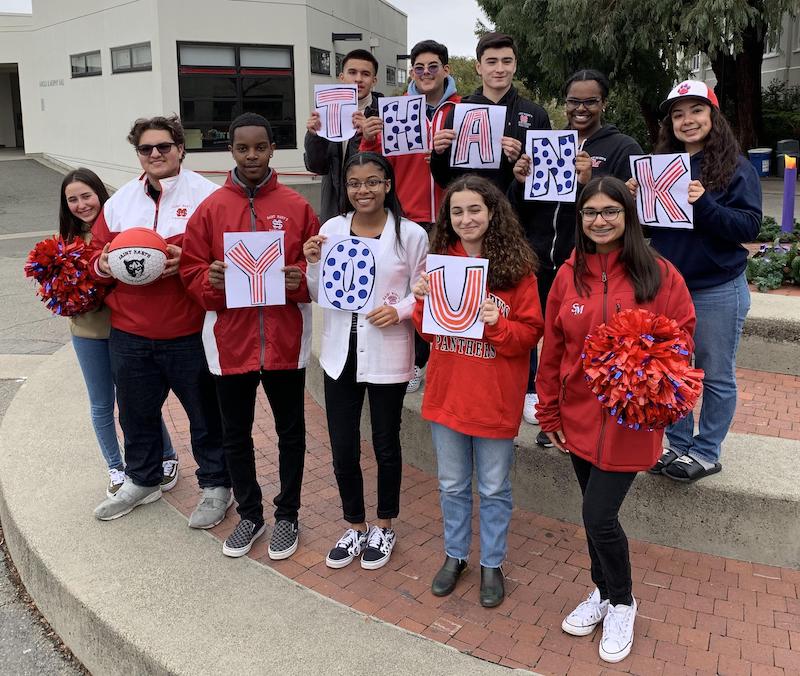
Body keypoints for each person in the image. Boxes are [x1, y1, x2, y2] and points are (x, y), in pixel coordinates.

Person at [536, 176, 695, 663]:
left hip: (631, 422)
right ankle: (602, 592)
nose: (600, 220)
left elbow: (684, 339)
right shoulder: (568, 275)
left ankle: (623, 601)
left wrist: (652, 372)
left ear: (628, 215)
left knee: (597, 515)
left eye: (610, 211)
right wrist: (548, 410)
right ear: (580, 219)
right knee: (592, 512)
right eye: (590, 213)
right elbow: (554, 346)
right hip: (578, 416)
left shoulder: (660, 274)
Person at [181, 113, 320, 559]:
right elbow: (190, 270)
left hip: (285, 341)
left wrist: (300, 277)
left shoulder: (297, 207)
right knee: (235, 433)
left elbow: (317, 272)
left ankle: (288, 515)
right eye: (243, 148)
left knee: (290, 433)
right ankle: (252, 515)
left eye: (260, 147)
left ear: (272, 148)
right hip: (230, 344)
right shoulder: (211, 209)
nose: (252, 156)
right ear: (232, 150)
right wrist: (211, 281)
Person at [90, 115, 232, 527]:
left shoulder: (209, 196)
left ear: (180, 148)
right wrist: (101, 262)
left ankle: (216, 485)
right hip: (130, 332)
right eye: (146, 149)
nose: (155, 154)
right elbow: (96, 252)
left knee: (204, 416)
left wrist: (185, 256)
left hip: (189, 330)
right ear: (138, 153)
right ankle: (143, 479)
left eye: (164, 146)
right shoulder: (120, 202)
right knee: (135, 414)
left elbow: (226, 250)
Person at [412, 175, 543, 607]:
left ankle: (492, 561)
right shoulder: (439, 263)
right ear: (447, 219)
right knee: (451, 485)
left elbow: (528, 336)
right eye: (457, 211)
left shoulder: (516, 270)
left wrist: (496, 322)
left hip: (494, 399)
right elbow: (429, 335)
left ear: (492, 213)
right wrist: (420, 302)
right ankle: (455, 556)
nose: (466, 219)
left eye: (475, 210)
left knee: (493, 488)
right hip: (448, 396)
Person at [629, 80, 761, 482]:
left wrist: (702, 203)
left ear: (712, 116)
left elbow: (748, 226)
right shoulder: (659, 165)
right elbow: (650, 229)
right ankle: (677, 444)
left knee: (716, 374)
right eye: (678, 113)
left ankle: (706, 451)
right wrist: (632, 198)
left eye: (696, 111)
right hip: (668, 288)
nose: (687, 120)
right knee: (670, 370)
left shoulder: (735, 166)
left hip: (717, 288)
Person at [303, 152, 427, 570]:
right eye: (355, 183)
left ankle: (384, 525)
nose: (363, 190)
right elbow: (320, 292)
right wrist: (313, 262)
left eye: (372, 182)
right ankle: (354, 525)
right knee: (342, 447)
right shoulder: (332, 230)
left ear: (388, 185)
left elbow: (422, 289)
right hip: (340, 353)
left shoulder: (409, 235)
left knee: (386, 445)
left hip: (387, 351)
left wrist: (401, 311)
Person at [511, 69, 642, 447]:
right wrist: (519, 180)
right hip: (538, 257)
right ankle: (542, 404)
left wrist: (591, 185)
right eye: (573, 101)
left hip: (586, 264)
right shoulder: (548, 142)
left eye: (589, 101)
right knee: (542, 337)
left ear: (603, 103)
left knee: (579, 342)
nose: (580, 109)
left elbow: (633, 207)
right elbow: (518, 205)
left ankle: (578, 417)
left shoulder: (622, 147)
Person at [60, 168, 179, 497]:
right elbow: (56, 289)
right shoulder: (64, 243)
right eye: (73, 199)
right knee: (102, 404)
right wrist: (66, 295)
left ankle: (167, 456)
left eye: (86, 195)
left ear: (100, 194)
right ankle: (116, 467)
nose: (82, 204)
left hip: (126, 329)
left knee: (139, 401)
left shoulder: (124, 226)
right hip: (87, 332)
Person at [360, 39, 461, 394]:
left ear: (446, 70)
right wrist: (370, 139)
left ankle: (450, 362)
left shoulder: (463, 109)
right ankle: (418, 361)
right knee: (416, 292)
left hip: (454, 218)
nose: (426, 74)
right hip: (411, 215)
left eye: (433, 66)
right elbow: (374, 162)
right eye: (419, 68)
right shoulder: (396, 109)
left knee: (451, 289)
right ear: (412, 73)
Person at [429, 32, 550, 193]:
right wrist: (439, 153)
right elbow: (445, 181)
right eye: (491, 62)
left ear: (515, 65)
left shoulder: (536, 114)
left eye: (506, 61)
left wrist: (520, 159)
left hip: (518, 215)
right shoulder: (459, 112)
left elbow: (545, 182)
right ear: (479, 67)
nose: (499, 69)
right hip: (471, 213)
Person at [304, 49, 382, 223]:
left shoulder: (384, 115)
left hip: (373, 215)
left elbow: (384, 170)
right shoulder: (326, 111)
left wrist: (365, 138)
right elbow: (317, 167)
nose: (358, 79)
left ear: (374, 80)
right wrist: (314, 136)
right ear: (341, 77)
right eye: (352, 72)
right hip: (334, 214)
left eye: (366, 74)